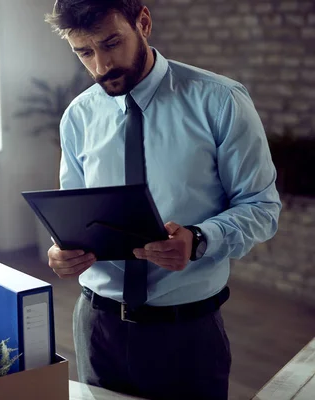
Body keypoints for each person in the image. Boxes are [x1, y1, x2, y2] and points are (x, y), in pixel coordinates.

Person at [44, 1, 281, 399]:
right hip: (97, 327)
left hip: (187, 333)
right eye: (85, 52)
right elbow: (75, 214)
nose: (101, 65)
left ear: (144, 23)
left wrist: (200, 238)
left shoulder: (220, 101)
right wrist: (62, 251)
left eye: (111, 43)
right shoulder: (78, 117)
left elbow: (262, 205)